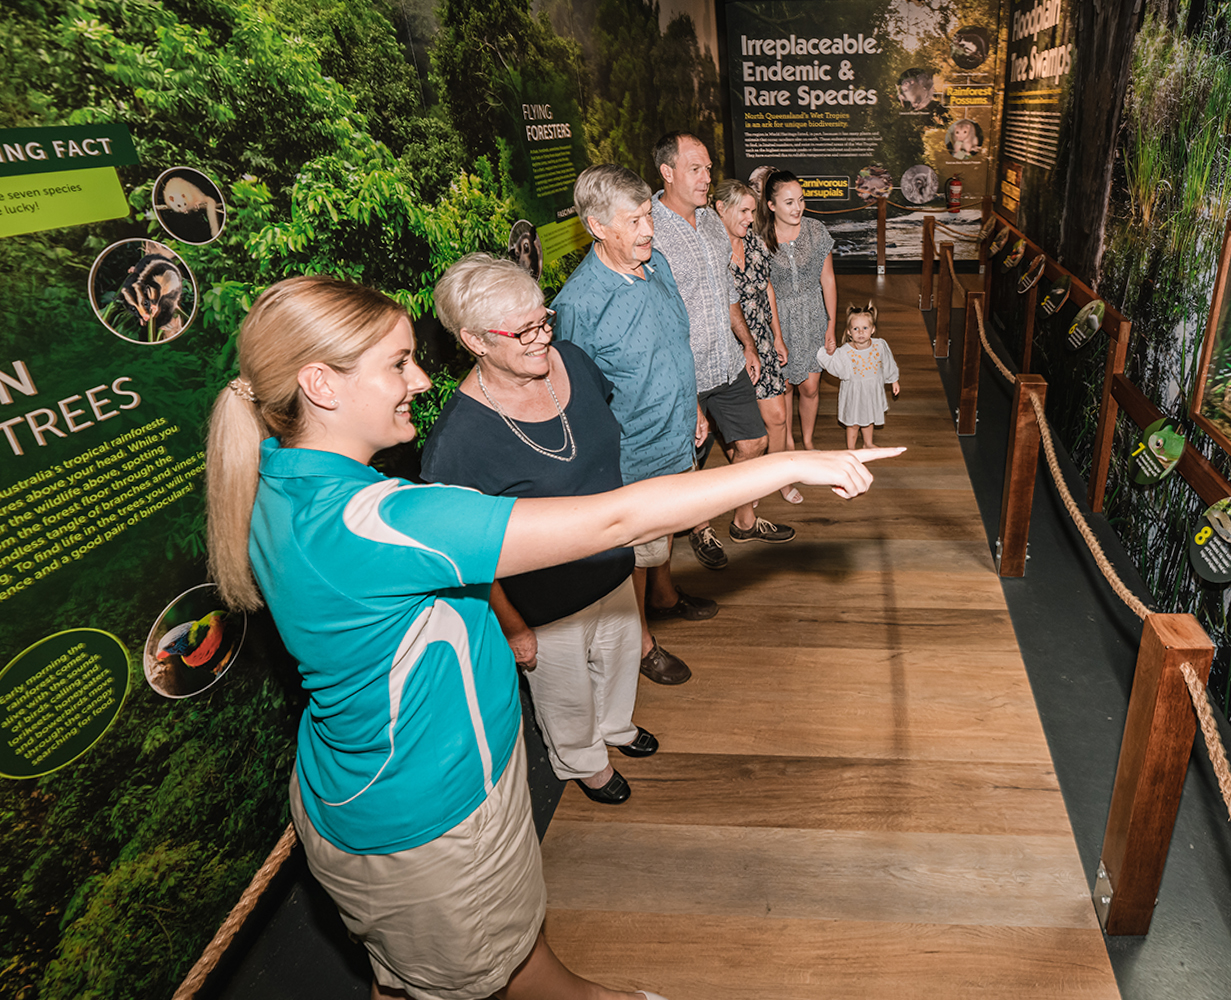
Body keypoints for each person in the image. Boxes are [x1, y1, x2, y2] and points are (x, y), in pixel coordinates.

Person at [205, 274, 894, 1000]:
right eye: (397, 363)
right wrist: (791, 463)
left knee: (434, 970)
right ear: (321, 384)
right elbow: (615, 521)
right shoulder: (377, 521)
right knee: (476, 975)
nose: (419, 378)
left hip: (374, 795)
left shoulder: (278, 481)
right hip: (433, 815)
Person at [419, 254, 652, 806]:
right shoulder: (457, 443)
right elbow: (464, 557)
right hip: (544, 603)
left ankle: (617, 727)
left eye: (543, 319)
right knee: (567, 696)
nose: (542, 337)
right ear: (475, 341)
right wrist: (513, 624)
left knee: (619, 665)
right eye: (523, 331)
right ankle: (585, 761)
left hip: (613, 566)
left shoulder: (572, 358)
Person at [551, 163, 704, 687]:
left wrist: (695, 408)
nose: (648, 231)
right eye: (634, 221)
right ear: (597, 226)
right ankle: (642, 644)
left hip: (677, 432)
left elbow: (674, 346)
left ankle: (664, 597)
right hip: (633, 457)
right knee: (637, 553)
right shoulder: (579, 305)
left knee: (662, 539)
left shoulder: (655, 263)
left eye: (648, 216)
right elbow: (577, 400)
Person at [650, 131, 795, 568]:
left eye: (709, 168)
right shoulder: (651, 231)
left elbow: (727, 292)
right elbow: (657, 316)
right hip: (684, 372)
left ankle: (744, 521)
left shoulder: (712, 221)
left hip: (728, 361)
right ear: (667, 172)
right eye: (696, 168)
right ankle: (698, 527)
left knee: (753, 441)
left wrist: (748, 344)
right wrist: (686, 393)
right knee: (688, 459)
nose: (706, 176)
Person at [715, 177, 803, 505]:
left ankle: (776, 480)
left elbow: (767, 288)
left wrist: (777, 336)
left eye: (753, 211)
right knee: (738, 430)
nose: (750, 218)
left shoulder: (753, 243)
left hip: (762, 341)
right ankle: (746, 487)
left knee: (777, 417)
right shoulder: (710, 251)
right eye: (744, 211)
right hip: (729, 348)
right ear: (720, 209)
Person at [758, 169, 837, 452]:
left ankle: (808, 440)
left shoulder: (816, 231)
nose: (798, 207)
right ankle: (789, 443)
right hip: (779, 321)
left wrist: (831, 325)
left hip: (813, 315)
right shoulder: (760, 238)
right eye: (789, 202)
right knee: (786, 386)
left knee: (811, 387)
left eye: (801, 200)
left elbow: (827, 279)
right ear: (771, 205)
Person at [817, 302, 900, 449]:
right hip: (854, 394)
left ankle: (868, 443)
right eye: (856, 329)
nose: (860, 332)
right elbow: (836, 366)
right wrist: (827, 352)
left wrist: (894, 380)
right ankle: (851, 449)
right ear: (849, 332)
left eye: (865, 328)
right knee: (853, 423)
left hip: (871, 391)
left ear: (873, 329)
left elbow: (888, 363)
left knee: (869, 419)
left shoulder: (879, 346)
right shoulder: (845, 351)